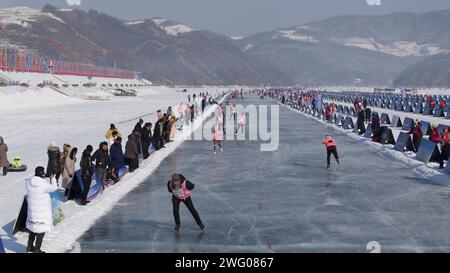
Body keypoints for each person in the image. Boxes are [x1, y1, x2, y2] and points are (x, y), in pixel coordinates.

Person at [26, 166, 58, 253]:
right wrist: (53, 179)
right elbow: (54, 188)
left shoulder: (29, 182)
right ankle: (37, 249)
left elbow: (36, 181)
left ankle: (29, 247)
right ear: (42, 174)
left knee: (33, 228)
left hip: (32, 211)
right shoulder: (43, 184)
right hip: (41, 212)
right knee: (41, 229)